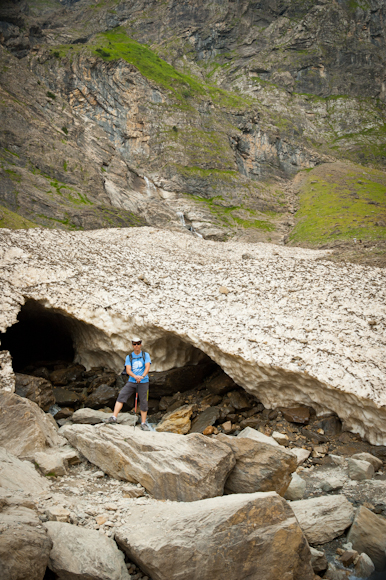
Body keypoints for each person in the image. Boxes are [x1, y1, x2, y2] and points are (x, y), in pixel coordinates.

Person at [108, 338, 151, 430]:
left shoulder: (145, 355)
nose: (136, 346)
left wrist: (142, 376)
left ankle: (143, 423)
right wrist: (135, 377)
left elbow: (147, 367)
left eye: (138, 344)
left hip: (143, 381)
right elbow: (128, 370)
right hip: (132, 381)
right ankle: (114, 417)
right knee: (122, 396)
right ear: (132, 345)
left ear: (141, 344)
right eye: (134, 344)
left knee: (143, 402)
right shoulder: (129, 357)